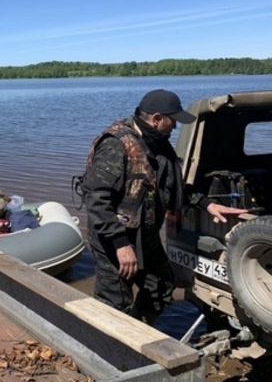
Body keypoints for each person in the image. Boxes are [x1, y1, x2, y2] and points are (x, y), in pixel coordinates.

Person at [81, 89, 245, 324]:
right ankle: (110, 348)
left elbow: (172, 186)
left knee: (161, 286)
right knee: (115, 301)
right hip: (113, 237)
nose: (175, 127)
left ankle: (139, 332)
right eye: (173, 120)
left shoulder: (159, 144)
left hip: (143, 235)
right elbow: (97, 200)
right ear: (156, 118)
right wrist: (120, 245)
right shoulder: (115, 145)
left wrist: (207, 204)